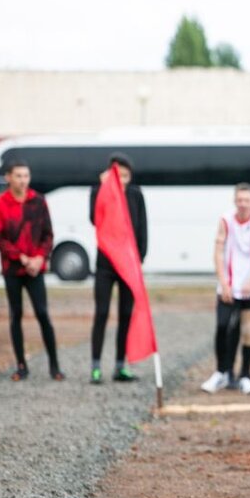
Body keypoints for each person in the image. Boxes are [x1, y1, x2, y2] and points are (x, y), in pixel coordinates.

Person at [0, 158, 63, 382]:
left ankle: (54, 366)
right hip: (12, 268)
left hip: (35, 269)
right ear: (9, 178)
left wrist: (40, 257)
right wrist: (20, 257)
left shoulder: (38, 202)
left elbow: (48, 234)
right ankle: (21, 365)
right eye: (18, 176)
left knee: (43, 313)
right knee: (16, 315)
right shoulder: (1, 205)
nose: (23, 180)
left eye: (26, 176)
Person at [200, 183, 250, 394]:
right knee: (222, 327)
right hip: (229, 285)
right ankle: (221, 373)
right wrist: (224, 282)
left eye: (247, 201)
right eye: (239, 200)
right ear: (235, 201)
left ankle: (245, 375)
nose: (243, 204)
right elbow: (218, 251)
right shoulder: (226, 220)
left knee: (249, 331)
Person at [88, 152, 147, 384]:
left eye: (126, 175)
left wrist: (138, 259)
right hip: (105, 264)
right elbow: (95, 218)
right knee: (101, 313)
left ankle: (121, 365)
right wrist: (105, 190)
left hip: (128, 264)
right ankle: (95, 366)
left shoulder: (136, 195)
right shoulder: (98, 192)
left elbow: (142, 228)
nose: (122, 180)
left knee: (126, 314)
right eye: (117, 175)